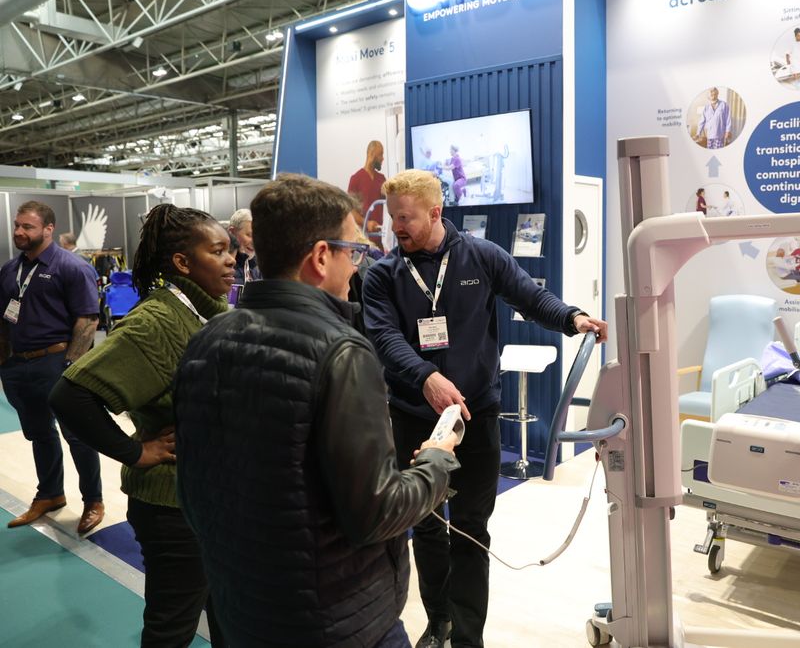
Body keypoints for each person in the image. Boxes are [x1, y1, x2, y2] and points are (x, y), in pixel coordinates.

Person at [172, 173, 459, 648]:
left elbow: (194, 491)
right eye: (354, 252)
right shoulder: (341, 353)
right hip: (341, 620)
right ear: (322, 256)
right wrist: (436, 461)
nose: (356, 268)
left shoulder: (206, 340)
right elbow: (377, 513)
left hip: (242, 608)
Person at [362, 169, 608, 648]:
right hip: (414, 417)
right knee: (425, 525)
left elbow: (530, 296)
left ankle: (467, 638)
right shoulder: (383, 275)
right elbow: (384, 338)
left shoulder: (482, 256)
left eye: (406, 217)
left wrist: (572, 317)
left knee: (471, 529)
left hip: (476, 415)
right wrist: (425, 377)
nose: (396, 227)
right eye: (394, 217)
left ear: (436, 212)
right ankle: (438, 622)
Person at [48, 204, 234, 646]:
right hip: (173, 508)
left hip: (213, 501)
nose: (231, 260)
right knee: (172, 627)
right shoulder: (156, 322)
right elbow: (70, 396)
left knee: (229, 614)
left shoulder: (208, 314)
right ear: (183, 262)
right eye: (218, 251)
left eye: (230, 250)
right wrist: (135, 452)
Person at [0, 201, 103, 535]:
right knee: (39, 434)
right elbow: (4, 319)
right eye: (17, 225)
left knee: (77, 435)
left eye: (27, 226)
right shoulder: (9, 270)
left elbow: (87, 321)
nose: (19, 232)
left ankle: (93, 500)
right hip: (18, 365)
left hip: (57, 362)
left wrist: (71, 367)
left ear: (48, 229)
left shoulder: (71, 267)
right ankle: (50, 494)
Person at [349, 139, 387, 236]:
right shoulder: (356, 179)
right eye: (380, 154)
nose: (382, 158)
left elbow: (390, 203)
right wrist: (366, 223)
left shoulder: (382, 179)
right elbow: (350, 211)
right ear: (372, 154)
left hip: (380, 237)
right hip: (363, 238)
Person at [228, 208, 260, 284]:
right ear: (232, 232)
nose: (255, 242)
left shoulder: (259, 267)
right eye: (249, 235)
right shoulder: (224, 267)